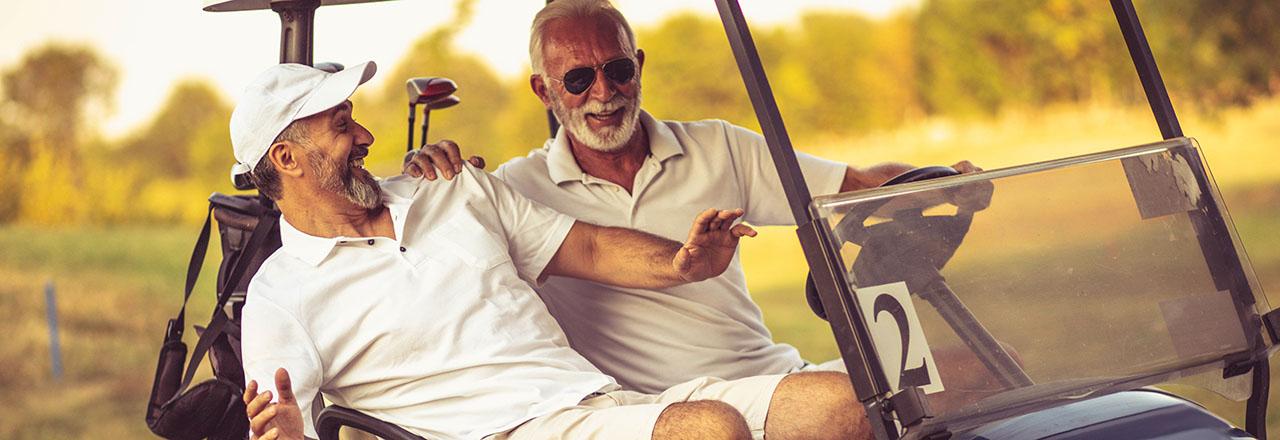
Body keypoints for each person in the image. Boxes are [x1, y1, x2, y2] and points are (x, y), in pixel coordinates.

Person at [233, 62, 866, 440]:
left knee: (846, 403)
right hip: (504, 430)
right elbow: (280, 421)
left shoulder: (452, 189)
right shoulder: (280, 294)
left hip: (599, 402)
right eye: (342, 127)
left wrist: (680, 263)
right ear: (287, 160)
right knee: (709, 431)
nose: (365, 134)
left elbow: (587, 246)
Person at [404, 0, 987, 394]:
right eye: (578, 79)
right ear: (544, 90)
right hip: (667, 414)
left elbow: (855, 187)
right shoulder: (515, 190)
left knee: (970, 373)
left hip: (773, 378)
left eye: (616, 70)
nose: (603, 93)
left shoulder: (717, 145)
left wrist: (946, 181)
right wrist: (428, 178)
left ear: (639, 66)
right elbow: (432, 268)